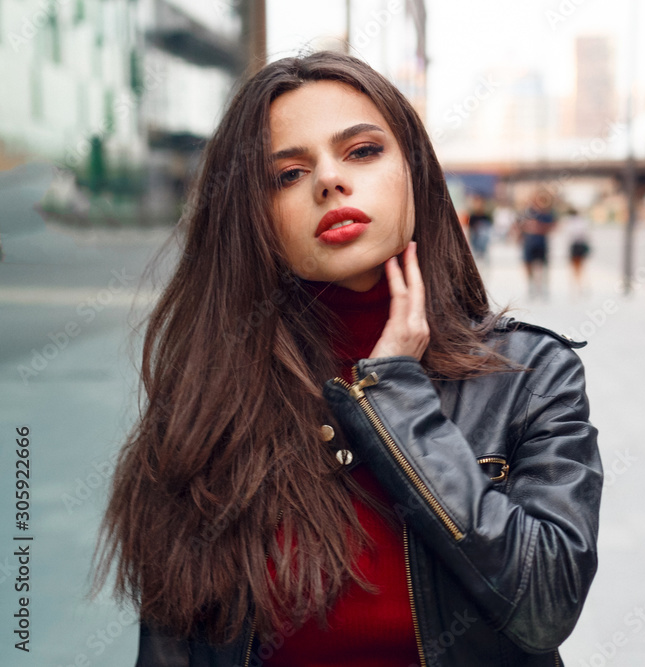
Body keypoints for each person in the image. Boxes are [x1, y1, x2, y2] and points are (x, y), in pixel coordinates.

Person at [92, 51, 602, 667]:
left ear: (414, 171)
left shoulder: (531, 376)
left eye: (361, 151)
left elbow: (544, 604)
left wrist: (396, 397)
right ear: (256, 219)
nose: (328, 181)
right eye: (286, 174)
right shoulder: (210, 395)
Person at [517, 191, 556, 299]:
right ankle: (531, 286)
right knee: (528, 265)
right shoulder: (527, 213)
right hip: (529, 243)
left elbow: (552, 226)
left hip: (540, 243)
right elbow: (519, 225)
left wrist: (538, 228)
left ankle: (542, 287)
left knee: (542, 266)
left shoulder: (546, 214)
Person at [564, 206, 591, 296]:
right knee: (580, 267)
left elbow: (570, 234)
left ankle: (578, 285)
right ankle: (580, 286)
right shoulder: (582, 222)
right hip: (579, 245)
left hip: (576, 246)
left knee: (576, 267)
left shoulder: (571, 223)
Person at [466, 192, 493, 263]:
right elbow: (470, 231)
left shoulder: (486, 217)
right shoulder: (472, 217)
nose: (479, 205)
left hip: (484, 247)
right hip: (475, 245)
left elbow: (490, 232)